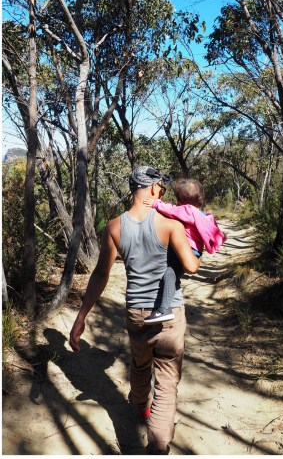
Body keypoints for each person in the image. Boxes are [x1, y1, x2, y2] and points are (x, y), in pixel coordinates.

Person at [69, 165, 200, 454]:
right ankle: (158, 445)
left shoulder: (115, 227)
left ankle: (141, 407)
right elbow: (191, 266)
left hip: (137, 314)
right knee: (167, 382)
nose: (162, 193)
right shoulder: (170, 225)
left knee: (140, 365)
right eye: (161, 189)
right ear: (153, 189)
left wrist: (81, 317)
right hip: (170, 315)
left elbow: (101, 275)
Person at [141, 178, 226, 324]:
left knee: (169, 274)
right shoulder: (201, 214)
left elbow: (172, 210)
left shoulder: (188, 211)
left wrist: (155, 203)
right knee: (172, 273)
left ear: (182, 200)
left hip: (187, 250)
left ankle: (164, 310)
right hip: (194, 251)